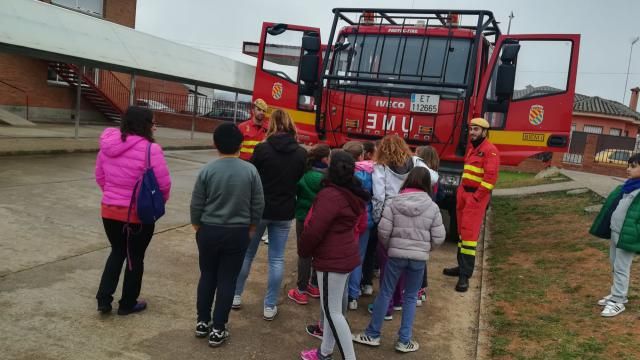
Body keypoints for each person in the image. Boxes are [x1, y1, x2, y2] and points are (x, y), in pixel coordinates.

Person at [353, 167, 445, 353]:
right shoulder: (433, 207)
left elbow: (384, 232)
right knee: (410, 297)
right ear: (427, 184)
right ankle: (404, 340)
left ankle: (373, 334)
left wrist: (390, 248)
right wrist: (425, 248)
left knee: (385, 292)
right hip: (418, 259)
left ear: (408, 180)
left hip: (395, 255)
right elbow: (439, 236)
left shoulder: (394, 203)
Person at [190, 123, 265, 346]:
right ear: (241, 144)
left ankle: (202, 321)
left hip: (209, 231)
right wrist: (252, 228)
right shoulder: (250, 170)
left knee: (207, 275)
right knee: (227, 279)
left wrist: (197, 226)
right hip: (238, 233)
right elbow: (258, 204)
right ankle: (219, 328)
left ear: (215, 144)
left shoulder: (207, 170)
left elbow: (196, 204)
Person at [95, 106, 171, 315]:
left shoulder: (106, 146)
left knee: (117, 251)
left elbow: (100, 176)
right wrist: (156, 204)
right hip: (139, 214)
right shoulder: (151, 150)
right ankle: (128, 303)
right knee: (135, 257)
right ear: (145, 125)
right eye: (153, 123)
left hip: (109, 211)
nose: (155, 128)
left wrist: (113, 195)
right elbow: (163, 185)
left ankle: (103, 299)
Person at [233, 109, 307, 320]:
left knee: (247, 254)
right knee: (276, 258)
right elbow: (299, 181)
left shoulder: (262, 149)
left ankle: (236, 296)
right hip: (284, 211)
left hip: (259, 209)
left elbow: (252, 178)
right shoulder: (301, 153)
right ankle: (269, 305)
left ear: (272, 124)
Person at [299, 150, 369, 360]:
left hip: (332, 260)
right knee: (331, 309)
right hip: (344, 255)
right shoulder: (350, 193)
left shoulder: (331, 195)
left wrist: (303, 250)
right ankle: (324, 352)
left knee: (333, 313)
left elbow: (314, 230)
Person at [371, 134, 438, 319]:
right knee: (401, 260)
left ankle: (387, 307)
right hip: (413, 213)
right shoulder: (415, 162)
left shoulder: (380, 166)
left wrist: (378, 219)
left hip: (391, 213)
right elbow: (433, 177)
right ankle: (399, 301)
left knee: (387, 264)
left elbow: (378, 196)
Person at [443, 118, 499, 292]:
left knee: (469, 238)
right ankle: (461, 267)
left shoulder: (490, 151)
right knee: (461, 234)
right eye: (471, 129)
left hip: (475, 198)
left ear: (484, 132)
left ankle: (464, 276)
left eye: (476, 129)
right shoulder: (472, 149)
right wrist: (461, 193)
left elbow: (490, 179)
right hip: (464, 195)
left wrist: (476, 197)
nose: (472, 132)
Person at [590, 153, 640, 317]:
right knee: (614, 263)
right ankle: (618, 293)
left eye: (633, 166)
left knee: (621, 267)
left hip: (628, 236)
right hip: (616, 231)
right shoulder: (629, 185)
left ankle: (618, 301)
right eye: (629, 165)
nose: (628, 169)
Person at [288, 144, 331, 305]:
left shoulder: (304, 175)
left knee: (304, 254)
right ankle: (314, 285)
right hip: (321, 220)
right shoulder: (328, 178)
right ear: (325, 159)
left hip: (303, 217)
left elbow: (296, 194)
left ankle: (301, 290)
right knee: (318, 252)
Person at [342, 141, 374, 310]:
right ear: (361, 155)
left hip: (347, 220)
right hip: (365, 220)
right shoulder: (371, 173)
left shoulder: (344, 173)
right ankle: (353, 297)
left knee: (343, 257)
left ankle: (343, 294)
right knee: (358, 258)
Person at [414, 145, 441, 305]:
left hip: (420, 218)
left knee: (416, 258)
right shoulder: (436, 177)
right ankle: (421, 289)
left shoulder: (423, 177)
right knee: (421, 256)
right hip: (428, 221)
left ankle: (417, 289)